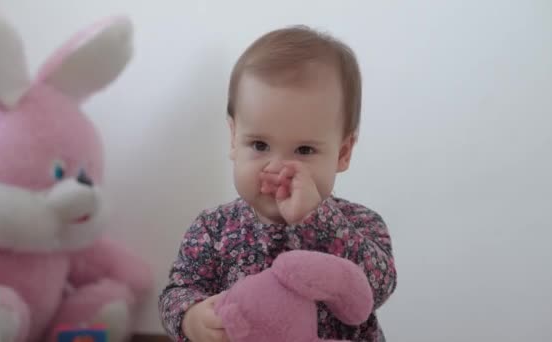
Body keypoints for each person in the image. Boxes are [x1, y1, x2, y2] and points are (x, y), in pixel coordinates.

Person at [159, 25, 397, 342]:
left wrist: (316, 220)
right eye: (259, 145)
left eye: (304, 150)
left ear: (342, 153)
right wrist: (191, 317)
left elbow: (374, 289)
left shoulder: (361, 224)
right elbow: (177, 290)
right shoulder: (213, 229)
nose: (278, 169)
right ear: (233, 139)